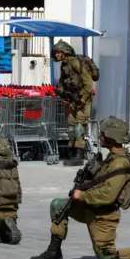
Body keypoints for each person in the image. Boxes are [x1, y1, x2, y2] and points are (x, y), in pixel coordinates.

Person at [29, 116, 130, 259]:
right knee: (58, 205)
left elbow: (108, 194)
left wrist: (82, 195)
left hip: (104, 215)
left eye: (103, 134)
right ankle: (53, 251)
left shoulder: (120, 162)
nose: (100, 137)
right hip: (91, 207)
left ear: (111, 137)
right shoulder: (111, 158)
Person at [52, 39, 95, 167]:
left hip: (82, 99)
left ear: (65, 52)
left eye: (59, 52)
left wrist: (83, 99)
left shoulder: (75, 63)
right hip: (72, 100)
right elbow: (62, 82)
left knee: (78, 127)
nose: (57, 55)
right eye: (56, 53)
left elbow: (88, 83)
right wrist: (61, 93)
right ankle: (72, 151)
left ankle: (79, 155)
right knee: (71, 127)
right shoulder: (64, 65)